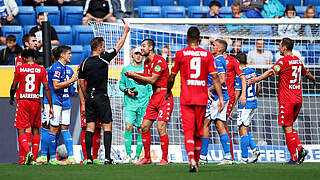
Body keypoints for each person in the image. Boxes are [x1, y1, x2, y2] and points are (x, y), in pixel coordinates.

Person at [249, 38, 316, 165]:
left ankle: (295, 157)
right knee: (289, 126)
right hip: (298, 98)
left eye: (279, 46)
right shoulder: (297, 60)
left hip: (287, 99)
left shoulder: (283, 61)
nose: (278, 48)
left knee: (287, 127)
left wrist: (256, 79)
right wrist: (313, 80)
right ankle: (300, 149)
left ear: (284, 47)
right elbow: (306, 73)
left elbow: (270, 72)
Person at [166, 26, 224, 172]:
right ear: (199, 39)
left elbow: (172, 76)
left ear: (186, 39)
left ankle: (191, 158)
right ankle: (196, 162)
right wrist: (221, 98)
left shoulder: (180, 54)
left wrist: (168, 90)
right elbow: (215, 77)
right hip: (201, 98)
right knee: (198, 131)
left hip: (186, 98)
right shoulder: (207, 55)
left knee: (188, 130)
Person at [78, 22, 130, 165]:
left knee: (90, 127)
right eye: (104, 45)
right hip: (102, 97)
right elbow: (118, 46)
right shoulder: (103, 58)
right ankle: (107, 158)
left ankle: (89, 158)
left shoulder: (84, 63)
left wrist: (87, 95)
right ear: (100, 47)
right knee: (107, 125)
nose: (105, 47)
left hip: (89, 98)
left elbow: (81, 83)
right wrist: (125, 32)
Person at [124, 39, 174, 166]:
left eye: (144, 46)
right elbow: (145, 81)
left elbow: (152, 79)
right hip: (154, 96)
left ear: (151, 47)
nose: (142, 49)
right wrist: (132, 77)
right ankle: (147, 158)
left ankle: (164, 159)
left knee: (160, 127)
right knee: (144, 127)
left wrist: (134, 75)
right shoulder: (146, 62)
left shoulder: (159, 61)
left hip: (164, 96)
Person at [10, 49, 54, 165]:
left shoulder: (20, 68)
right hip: (35, 101)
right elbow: (46, 88)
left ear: (24, 59)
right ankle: (34, 159)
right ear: (34, 58)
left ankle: (27, 153)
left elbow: (14, 85)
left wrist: (11, 96)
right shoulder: (41, 70)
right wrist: (50, 105)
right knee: (35, 128)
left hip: (23, 100)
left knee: (21, 128)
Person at [199, 39, 232, 165]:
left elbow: (222, 79)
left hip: (215, 97)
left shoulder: (218, 60)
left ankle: (203, 156)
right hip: (222, 96)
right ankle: (228, 156)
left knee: (205, 124)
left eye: (214, 45)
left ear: (220, 49)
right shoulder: (218, 59)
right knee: (219, 125)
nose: (211, 46)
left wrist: (209, 88)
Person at [119, 46, 152, 163]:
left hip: (144, 103)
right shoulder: (126, 69)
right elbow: (121, 85)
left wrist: (150, 100)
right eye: (136, 53)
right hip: (130, 103)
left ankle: (137, 156)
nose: (138, 56)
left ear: (143, 56)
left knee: (141, 129)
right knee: (128, 127)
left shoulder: (147, 70)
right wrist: (126, 90)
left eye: (140, 54)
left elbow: (150, 87)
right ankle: (128, 155)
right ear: (132, 55)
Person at [46, 46, 78, 165]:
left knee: (65, 129)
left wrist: (71, 84)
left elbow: (69, 90)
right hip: (55, 102)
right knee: (53, 129)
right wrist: (72, 80)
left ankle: (71, 157)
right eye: (69, 53)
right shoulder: (56, 67)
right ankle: (53, 158)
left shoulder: (67, 69)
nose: (70, 56)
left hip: (64, 102)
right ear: (62, 55)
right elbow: (56, 86)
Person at [234, 52, 261, 164]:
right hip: (253, 102)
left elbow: (237, 93)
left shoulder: (240, 74)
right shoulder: (254, 72)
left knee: (242, 129)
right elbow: (258, 87)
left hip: (244, 104)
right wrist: (254, 95)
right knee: (245, 128)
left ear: (237, 62)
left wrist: (231, 107)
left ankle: (244, 158)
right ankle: (254, 150)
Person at [77, 61, 103, 165]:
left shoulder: (103, 63)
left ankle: (95, 157)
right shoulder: (84, 64)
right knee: (85, 127)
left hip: (99, 100)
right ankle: (86, 157)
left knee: (97, 127)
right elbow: (80, 84)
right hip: (87, 101)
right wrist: (83, 103)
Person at [224, 50, 247, 161]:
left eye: (214, 45)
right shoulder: (211, 59)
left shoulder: (233, 61)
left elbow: (243, 77)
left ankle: (230, 157)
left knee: (223, 126)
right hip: (213, 97)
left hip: (227, 97)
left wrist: (243, 94)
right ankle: (201, 156)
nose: (212, 47)